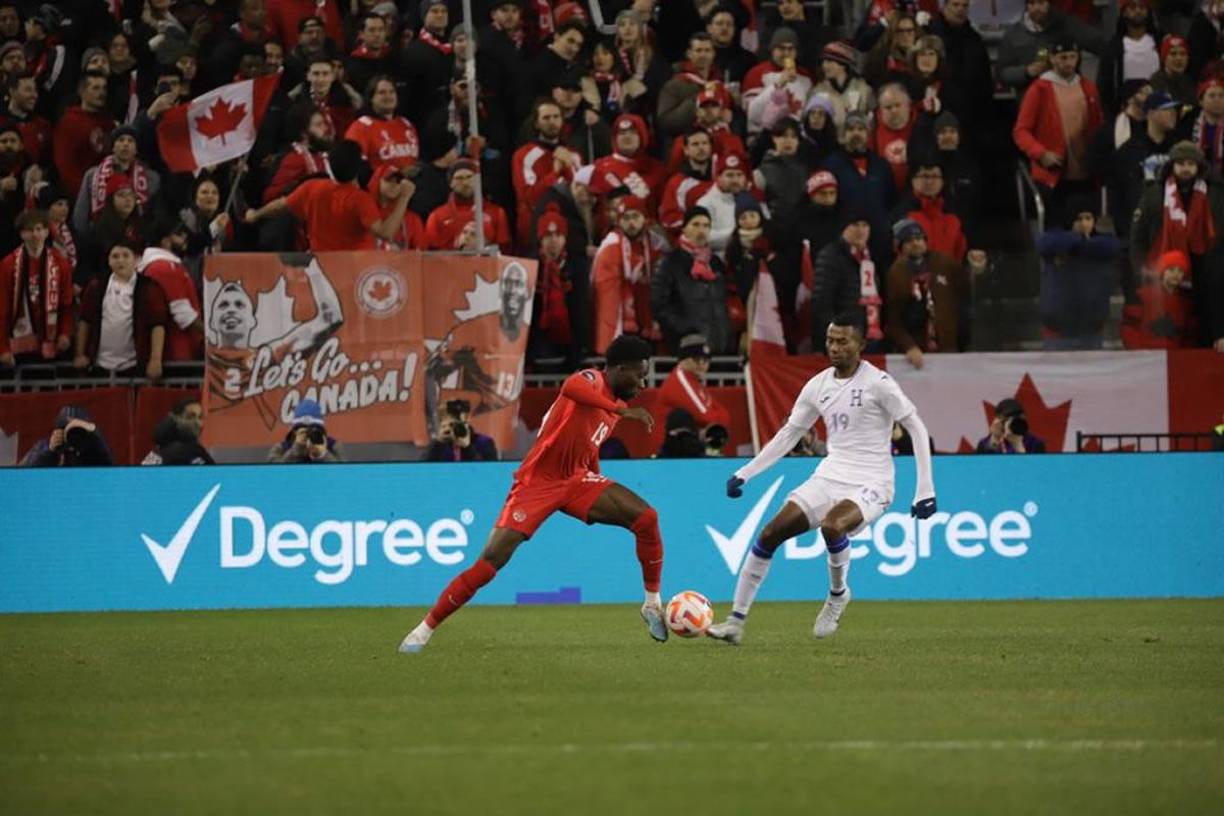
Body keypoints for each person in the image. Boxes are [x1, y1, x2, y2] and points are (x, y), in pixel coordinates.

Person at [398, 334, 667, 653]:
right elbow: (571, 387)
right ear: (620, 369)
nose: (642, 382)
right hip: (538, 483)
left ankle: (652, 603)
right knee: (491, 562)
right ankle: (422, 631)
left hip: (577, 480)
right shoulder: (592, 380)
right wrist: (619, 411)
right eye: (639, 374)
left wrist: (596, 471)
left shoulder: (615, 406)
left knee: (647, 518)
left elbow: (589, 444)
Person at [708, 308, 936, 645]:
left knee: (832, 525)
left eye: (843, 341)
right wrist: (746, 472)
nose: (835, 347)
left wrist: (924, 490)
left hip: (873, 481)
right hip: (829, 475)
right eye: (830, 340)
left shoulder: (879, 384)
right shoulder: (818, 386)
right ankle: (735, 623)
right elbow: (789, 433)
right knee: (770, 533)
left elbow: (916, 427)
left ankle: (837, 595)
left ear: (861, 343)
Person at [245, 140, 413, 251]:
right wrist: (404, 197)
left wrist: (256, 214)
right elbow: (386, 233)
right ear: (357, 169)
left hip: (322, 269)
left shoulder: (311, 188)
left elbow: (281, 205)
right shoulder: (360, 200)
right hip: (355, 272)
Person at [1013, 37, 1103, 223]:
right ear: (1052, 59)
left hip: (1085, 170)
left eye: (1072, 57)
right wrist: (1040, 153)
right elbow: (1021, 131)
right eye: (1063, 57)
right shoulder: (1039, 90)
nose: (1068, 62)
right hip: (1054, 173)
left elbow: (1098, 125)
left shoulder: (1088, 88)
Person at [73, 240, 167, 379]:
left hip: (134, 365)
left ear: (136, 260)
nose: (120, 260)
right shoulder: (97, 286)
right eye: (115, 256)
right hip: (100, 365)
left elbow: (157, 324)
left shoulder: (149, 287)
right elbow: (85, 320)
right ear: (109, 261)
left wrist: (155, 359)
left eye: (125, 255)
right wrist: (80, 354)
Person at [1037, 197, 1121, 350]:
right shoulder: (1053, 239)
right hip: (1058, 332)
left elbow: (1112, 247)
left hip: (1091, 331)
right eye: (1079, 219)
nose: (1084, 223)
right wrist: (1077, 238)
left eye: (1088, 218)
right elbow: (1044, 244)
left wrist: (1079, 244)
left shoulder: (1105, 242)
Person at [652, 206, 733, 354]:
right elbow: (659, 305)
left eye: (706, 225)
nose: (701, 230)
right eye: (695, 225)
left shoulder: (716, 263)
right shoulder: (670, 262)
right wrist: (686, 329)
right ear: (684, 229)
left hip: (720, 345)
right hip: (686, 347)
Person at [885, 219, 966, 367]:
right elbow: (893, 320)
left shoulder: (945, 264)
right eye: (909, 240)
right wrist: (909, 346)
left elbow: (965, 297)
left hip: (950, 350)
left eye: (919, 238)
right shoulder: (895, 273)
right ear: (900, 246)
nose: (916, 243)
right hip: (917, 353)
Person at [0, 209, 73, 367]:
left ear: (47, 232)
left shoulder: (61, 263)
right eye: (29, 230)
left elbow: (66, 304)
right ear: (21, 234)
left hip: (51, 342)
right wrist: (3, 348)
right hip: (19, 343)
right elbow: (3, 308)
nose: (34, 234)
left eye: (39, 229)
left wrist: (65, 333)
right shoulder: (8, 264)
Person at [654, 332, 731, 437]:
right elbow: (707, 418)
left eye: (706, 360)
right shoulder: (680, 381)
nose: (702, 365)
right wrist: (719, 418)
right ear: (683, 359)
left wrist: (719, 418)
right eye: (697, 359)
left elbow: (724, 415)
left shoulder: (693, 379)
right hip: (672, 449)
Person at [18, 404, 113, 467]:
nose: (72, 434)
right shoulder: (44, 446)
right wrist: (50, 452)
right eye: (65, 428)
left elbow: (108, 464)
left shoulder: (93, 447)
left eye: (77, 431)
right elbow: (23, 474)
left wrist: (92, 433)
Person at [267, 398, 346, 463]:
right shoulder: (280, 448)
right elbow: (275, 475)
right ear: (294, 431)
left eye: (313, 429)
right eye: (302, 431)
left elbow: (344, 475)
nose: (308, 434)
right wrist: (296, 450)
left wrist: (323, 454)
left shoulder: (334, 446)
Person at [142, 397, 215, 465]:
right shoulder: (187, 451)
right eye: (190, 417)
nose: (198, 423)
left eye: (200, 417)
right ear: (175, 419)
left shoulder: (158, 450)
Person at [426, 398, 500, 462]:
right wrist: (438, 445)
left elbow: (489, 474)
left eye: (455, 422)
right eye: (445, 423)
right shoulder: (439, 446)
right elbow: (421, 473)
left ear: (466, 420)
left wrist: (467, 448)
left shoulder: (484, 442)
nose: (452, 427)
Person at [976, 397, 1047, 453]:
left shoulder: (1035, 443)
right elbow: (982, 468)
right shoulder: (984, 443)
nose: (1009, 424)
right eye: (1006, 420)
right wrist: (994, 440)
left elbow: (1036, 470)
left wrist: (1018, 446)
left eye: (1014, 420)